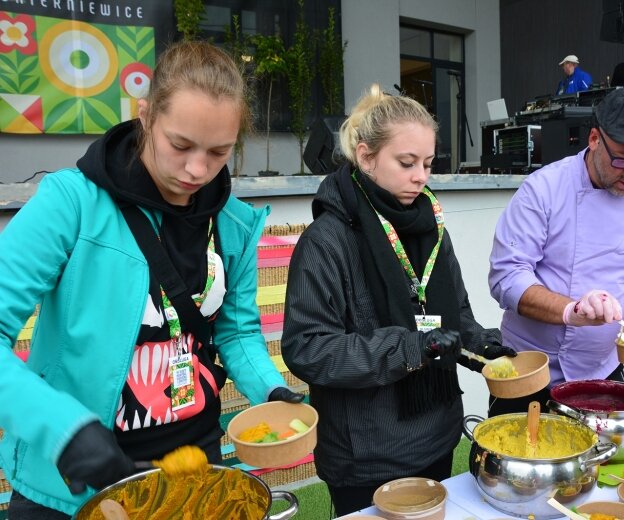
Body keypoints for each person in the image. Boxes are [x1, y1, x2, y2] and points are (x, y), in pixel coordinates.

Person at [0, 41, 303, 518]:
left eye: (219, 152)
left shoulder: (235, 223)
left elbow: (237, 331)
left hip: (193, 471)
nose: (197, 170)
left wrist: (271, 390)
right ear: (145, 115)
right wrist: (64, 430)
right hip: (74, 482)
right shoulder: (70, 204)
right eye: (180, 145)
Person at [281, 84, 515, 516]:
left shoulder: (431, 226)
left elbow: (455, 317)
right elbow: (307, 347)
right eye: (406, 163)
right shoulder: (327, 241)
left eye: (427, 163)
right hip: (366, 454)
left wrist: (486, 348)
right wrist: (410, 347)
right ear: (366, 156)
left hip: (439, 432)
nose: (421, 176)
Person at [488, 88, 624, 417]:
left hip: (604, 370)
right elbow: (507, 277)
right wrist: (572, 310)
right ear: (595, 138)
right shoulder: (544, 189)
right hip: (527, 370)